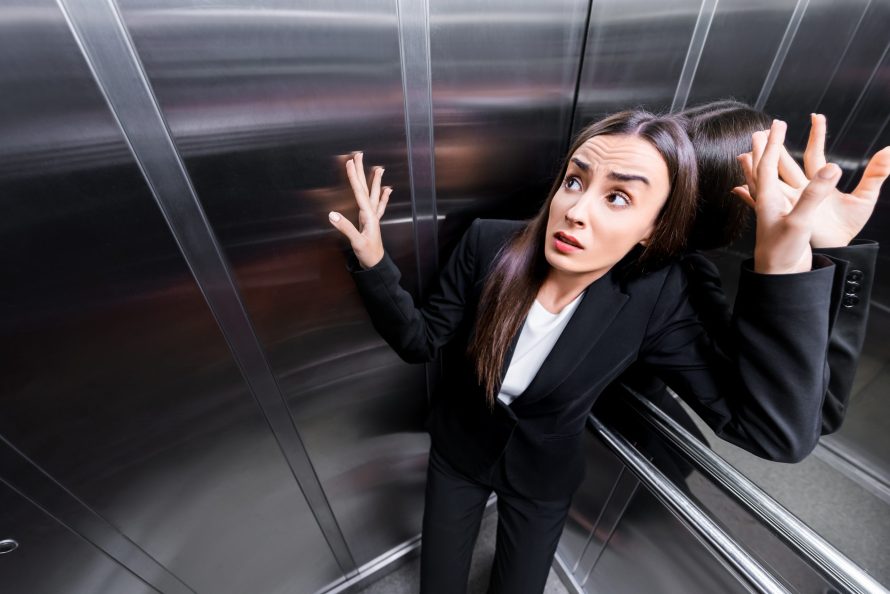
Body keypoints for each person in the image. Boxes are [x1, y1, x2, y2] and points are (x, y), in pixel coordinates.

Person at [327, 110, 862, 594]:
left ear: (655, 229)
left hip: (543, 479)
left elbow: (776, 434)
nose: (576, 211)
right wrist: (374, 261)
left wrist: (789, 262)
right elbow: (419, 341)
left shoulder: (657, 298)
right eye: (575, 181)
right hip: (457, 455)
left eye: (619, 196)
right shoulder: (489, 243)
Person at [606, 101, 887, 452]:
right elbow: (782, 432)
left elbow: (818, 412)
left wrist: (832, 249)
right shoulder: (668, 285)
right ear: (735, 208)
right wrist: (783, 275)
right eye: (769, 183)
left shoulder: (683, 275)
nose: (787, 199)